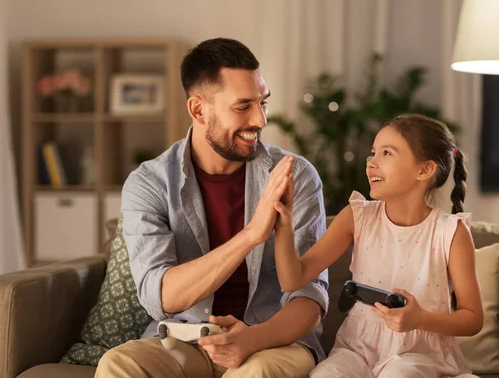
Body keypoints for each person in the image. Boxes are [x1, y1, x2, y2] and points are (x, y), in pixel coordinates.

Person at [95, 38, 329, 378]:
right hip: (186, 340)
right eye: (242, 106)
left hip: (271, 343)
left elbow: (310, 299)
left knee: (256, 373)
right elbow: (162, 296)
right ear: (198, 110)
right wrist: (251, 235)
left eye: (263, 103)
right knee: (118, 364)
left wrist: (252, 340)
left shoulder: (296, 175)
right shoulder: (149, 183)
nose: (260, 120)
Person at [273, 114, 483, 378]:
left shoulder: (450, 232)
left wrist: (419, 319)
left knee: (399, 375)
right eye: (373, 153)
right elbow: (294, 280)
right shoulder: (357, 216)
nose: (372, 162)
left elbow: (473, 318)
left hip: (419, 355)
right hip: (357, 350)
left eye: (387, 153)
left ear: (424, 170)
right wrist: (283, 224)